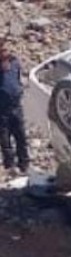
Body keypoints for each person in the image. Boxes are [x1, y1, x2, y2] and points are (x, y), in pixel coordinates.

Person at [0, 39, 30, 174]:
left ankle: (24, 164)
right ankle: (10, 166)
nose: (5, 53)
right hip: (2, 109)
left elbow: (18, 78)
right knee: (5, 140)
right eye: (2, 51)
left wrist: (19, 89)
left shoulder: (15, 62)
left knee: (21, 136)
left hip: (16, 106)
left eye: (6, 50)